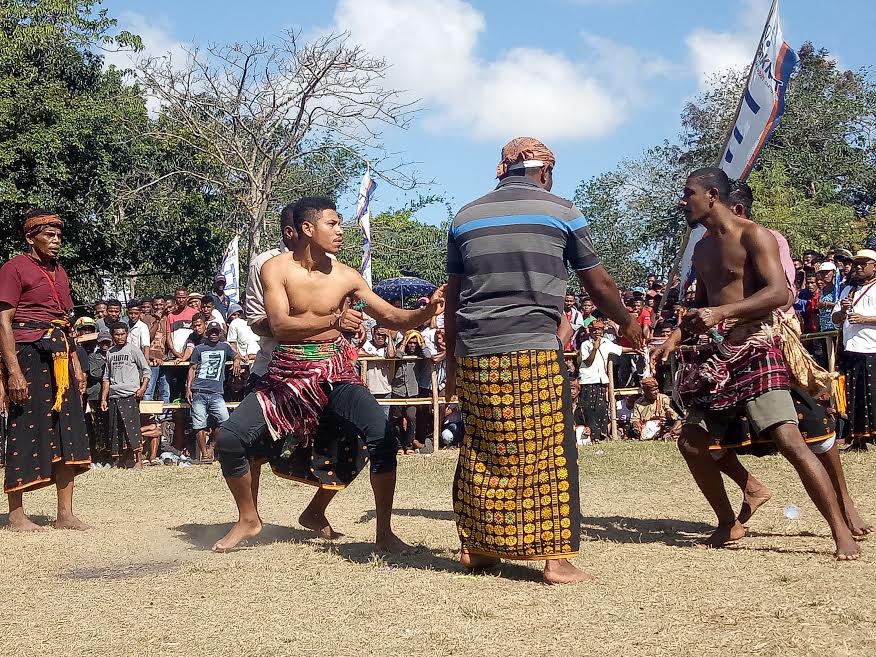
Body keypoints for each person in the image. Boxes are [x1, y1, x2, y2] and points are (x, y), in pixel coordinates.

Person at [444, 137, 642, 584]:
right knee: (548, 450)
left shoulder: (465, 216)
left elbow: (454, 296)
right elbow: (600, 284)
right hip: (532, 344)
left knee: (482, 444)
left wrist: (454, 357)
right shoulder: (562, 211)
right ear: (545, 172)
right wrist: (628, 324)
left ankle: (477, 546)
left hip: (475, 347)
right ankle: (555, 559)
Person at [213, 196, 445, 553]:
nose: (340, 231)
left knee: (381, 436)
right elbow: (279, 325)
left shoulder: (347, 276)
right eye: (333, 224)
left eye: (339, 224)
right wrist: (333, 321)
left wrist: (425, 312)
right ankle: (248, 518)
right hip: (286, 374)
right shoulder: (275, 268)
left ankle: (384, 532)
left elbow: (393, 318)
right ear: (308, 229)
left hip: (335, 371)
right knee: (230, 438)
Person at [652, 166, 860, 560]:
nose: (683, 201)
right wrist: (675, 337)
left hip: (759, 343)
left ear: (712, 195)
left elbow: (779, 292)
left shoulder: (756, 235)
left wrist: (723, 311)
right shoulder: (701, 249)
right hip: (719, 353)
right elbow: (701, 308)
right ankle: (727, 523)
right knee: (691, 442)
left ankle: (840, 532)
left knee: (790, 440)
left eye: (689, 193)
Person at [0, 209, 91, 530]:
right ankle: (17, 515)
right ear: (30, 237)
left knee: (68, 429)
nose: (56, 241)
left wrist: (78, 365)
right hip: (28, 355)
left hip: (62, 357)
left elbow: (66, 325)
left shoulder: (61, 273)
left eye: (58, 236)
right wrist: (12, 371)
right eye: (49, 236)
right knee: (24, 426)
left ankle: (64, 514)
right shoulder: (13, 268)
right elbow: (3, 322)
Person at [833, 249, 876, 449]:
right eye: (856, 264)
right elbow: (835, 320)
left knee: (872, 395)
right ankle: (858, 437)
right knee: (854, 396)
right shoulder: (847, 290)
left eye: (863, 264)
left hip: (872, 349)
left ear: (874, 266)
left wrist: (866, 319)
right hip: (850, 349)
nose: (858, 267)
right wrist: (842, 310)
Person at [186, 321, 241, 463]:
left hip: (216, 392)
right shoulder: (199, 349)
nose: (214, 334)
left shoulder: (224, 347)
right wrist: (188, 389)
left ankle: (211, 446)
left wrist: (236, 360)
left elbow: (236, 355)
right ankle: (204, 454)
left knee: (225, 421)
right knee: (198, 423)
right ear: (207, 332)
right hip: (199, 390)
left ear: (220, 333)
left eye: (217, 332)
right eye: (212, 331)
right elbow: (192, 369)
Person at [101, 322, 150, 468]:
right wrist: (104, 398)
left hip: (130, 395)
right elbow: (106, 377)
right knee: (116, 430)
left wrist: (142, 388)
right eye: (117, 334)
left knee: (132, 429)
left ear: (127, 334)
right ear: (112, 335)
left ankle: (138, 461)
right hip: (114, 396)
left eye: (123, 334)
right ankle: (119, 461)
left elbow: (146, 370)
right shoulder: (110, 352)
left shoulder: (133, 350)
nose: (120, 337)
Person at [576, 321, 632, 442]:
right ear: (591, 331)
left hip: (600, 380)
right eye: (595, 329)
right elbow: (587, 362)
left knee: (601, 408)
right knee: (588, 409)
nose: (597, 332)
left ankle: (600, 435)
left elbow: (620, 349)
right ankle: (589, 435)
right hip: (588, 380)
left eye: (600, 329)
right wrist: (595, 349)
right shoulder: (585, 344)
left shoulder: (607, 343)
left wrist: (636, 349)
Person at [86, 331, 112, 467]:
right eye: (102, 342)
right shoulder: (93, 357)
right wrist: (109, 372)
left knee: (109, 426)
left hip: (111, 395)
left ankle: (109, 455)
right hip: (96, 395)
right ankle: (97, 456)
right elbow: (94, 373)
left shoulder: (114, 355)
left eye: (107, 342)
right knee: (97, 426)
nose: (105, 345)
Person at [631, 377, 681, 441]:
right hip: (646, 429)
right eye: (653, 390)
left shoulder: (663, 399)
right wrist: (637, 427)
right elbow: (635, 419)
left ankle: (670, 436)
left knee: (679, 425)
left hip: (665, 427)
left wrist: (670, 426)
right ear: (645, 391)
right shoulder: (638, 403)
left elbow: (676, 417)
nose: (656, 392)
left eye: (657, 389)